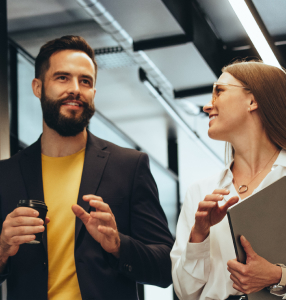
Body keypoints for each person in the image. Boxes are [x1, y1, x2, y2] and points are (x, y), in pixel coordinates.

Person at [0, 35, 174, 300]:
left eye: (85, 81)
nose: (75, 89)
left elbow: (166, 266)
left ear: (94, 92)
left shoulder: (128, 166)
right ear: (38, 87)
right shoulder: (6, 175)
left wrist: (118, 245)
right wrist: (2, 247)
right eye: (62, 78)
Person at [171, 60, 286, 300]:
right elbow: (184, 291)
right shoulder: (201, 193)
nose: (208, 106)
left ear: (252, 100)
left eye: (219, 91)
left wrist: (279, 277)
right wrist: (198, 236)